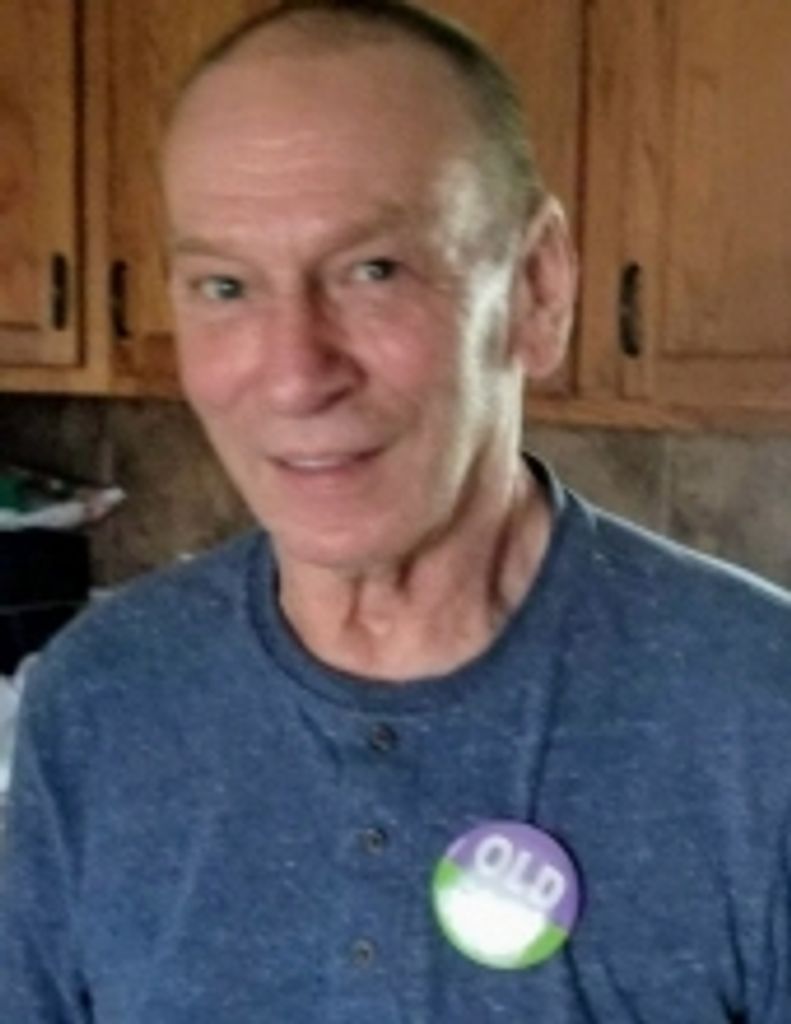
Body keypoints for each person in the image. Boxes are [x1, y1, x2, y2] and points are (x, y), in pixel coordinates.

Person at [1, 1, 790, 1020]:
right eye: (225, 286)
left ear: (536, 289)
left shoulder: (756, 714)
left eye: (373, 271)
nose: (295, 374)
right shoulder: (99, 703)